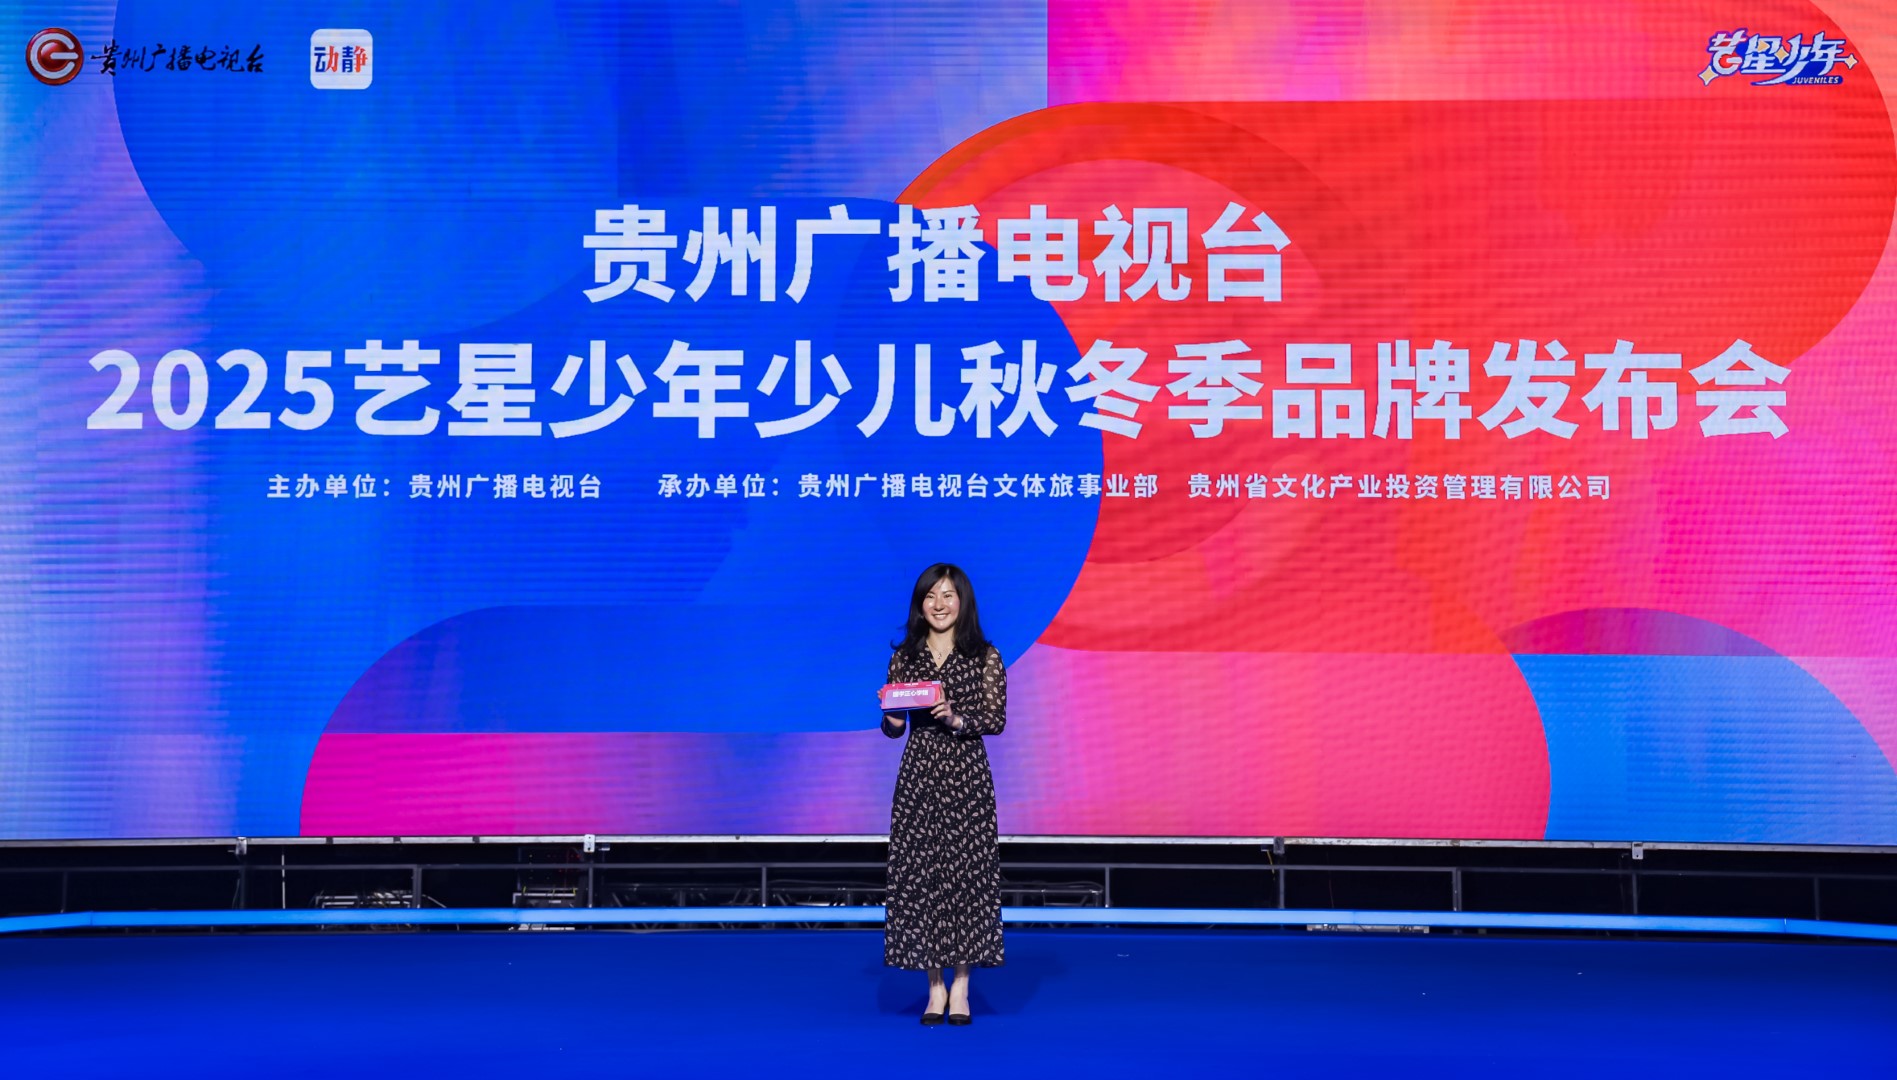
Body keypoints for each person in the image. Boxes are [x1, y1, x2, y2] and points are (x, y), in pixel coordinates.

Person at [878, 563, 1007, 1026]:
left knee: (967, 875)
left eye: (948, 595)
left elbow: (995, 718)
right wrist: (891, 719)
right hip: (920, 775)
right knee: (923, 874)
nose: (939, 604)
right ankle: (935, 986)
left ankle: (962, 985)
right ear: (920, 603)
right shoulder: (905, 658)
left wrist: (956, 718)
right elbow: (894, 729)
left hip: (966, 776)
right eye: (931, 595)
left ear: (962, 601)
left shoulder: (984, 656)